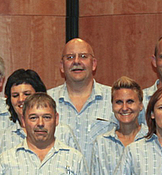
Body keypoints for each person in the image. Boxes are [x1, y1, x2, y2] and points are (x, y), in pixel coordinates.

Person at [48, 38, 116, 166]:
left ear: (94, 64)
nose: (77, 61)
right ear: (62, 66)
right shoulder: (47, 101)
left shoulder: (115, 99)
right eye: (70, 57)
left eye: (83, 56)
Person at [0, 68, 78, 161]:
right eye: (15, 95)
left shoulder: (63, 132)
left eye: (27, 94)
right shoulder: (3, 138)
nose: (21, 99)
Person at [92, 76, 148, 175]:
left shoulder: (151, 140)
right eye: (118, 102)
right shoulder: (102, 144)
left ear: (140, 105)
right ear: (112, 106)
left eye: (130, 101)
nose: (124, 107)